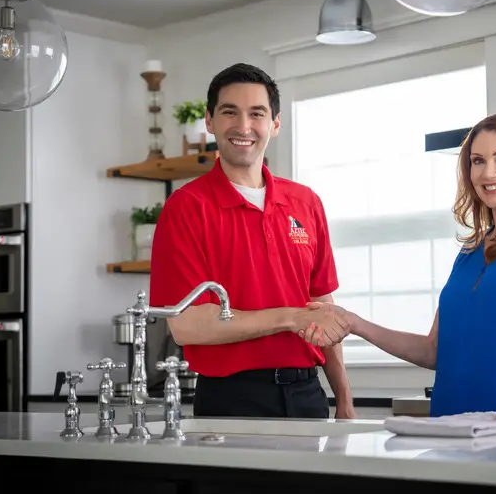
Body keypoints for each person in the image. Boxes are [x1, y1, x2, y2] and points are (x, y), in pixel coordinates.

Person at [301, 111, 496, 426]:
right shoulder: (471, 250)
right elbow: (433, 351)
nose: (488, 172)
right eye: (477, 161)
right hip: (451, 426)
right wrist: (354, 323)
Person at [149, 63, 356, 420]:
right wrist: (289, 318)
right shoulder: (185, 208)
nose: (243, 127)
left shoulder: (306, 202)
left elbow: (322, 306)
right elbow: (186, 325)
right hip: (230, 399)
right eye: (230, 112)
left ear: (275, 124)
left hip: (308, 395)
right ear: (210, 121)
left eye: (256, 114)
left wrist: (344, 399)